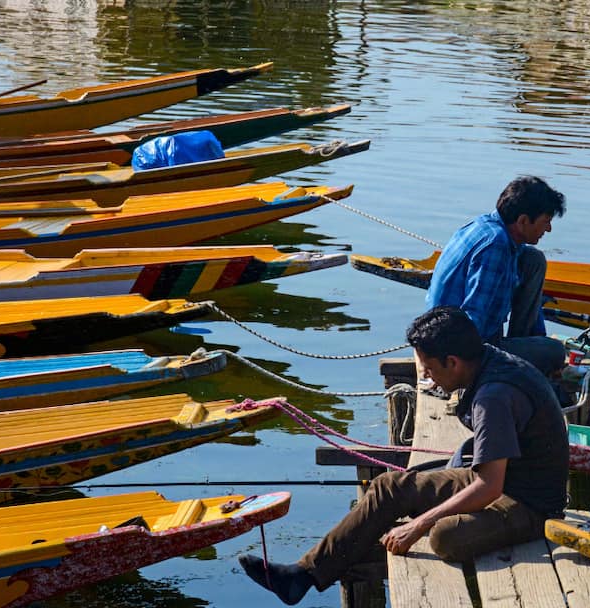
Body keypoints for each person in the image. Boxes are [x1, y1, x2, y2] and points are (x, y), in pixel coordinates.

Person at [238, 306, 569, 605]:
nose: (425, 376)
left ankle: (336, 560)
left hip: (529, 503)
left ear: (452, 361)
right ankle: (302, 575)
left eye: (427, 367)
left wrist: (421, 524)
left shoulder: (493, 397)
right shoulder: (486, 360)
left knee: (444, 536)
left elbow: (489, 487)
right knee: (388, 488)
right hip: (502, 476)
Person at [426, 175, 568, 376]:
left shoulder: (488, 226)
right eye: (546, 221)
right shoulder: (496, 247)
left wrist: (536, 339)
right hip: (456, 347)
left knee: (533, 259)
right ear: (523, 221)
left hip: (452, 331)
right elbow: (473, 318)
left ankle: (522, 344)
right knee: (555, 352)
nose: (549, 229)